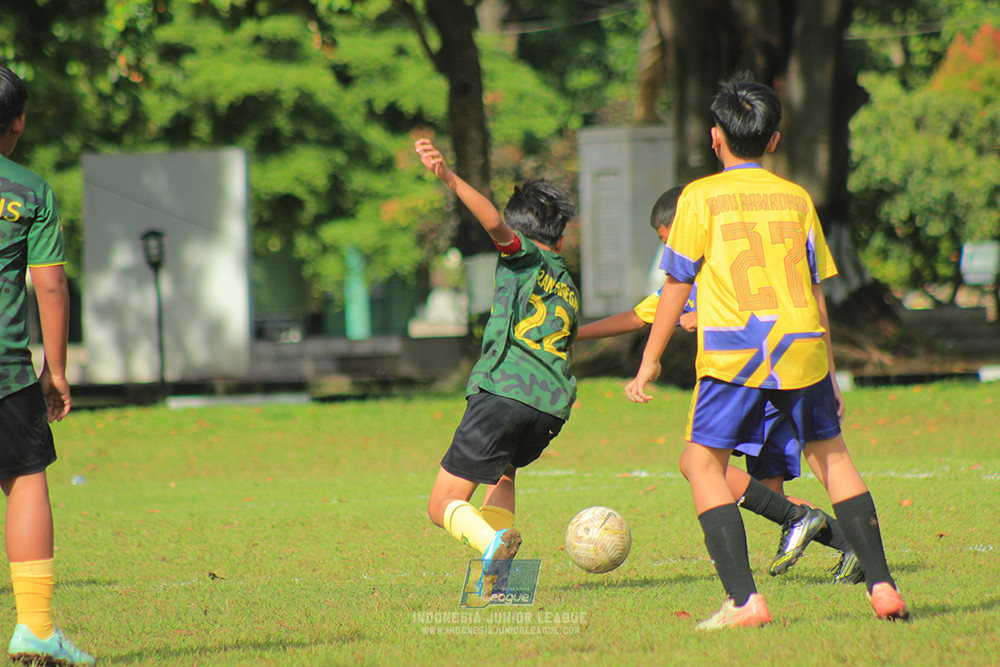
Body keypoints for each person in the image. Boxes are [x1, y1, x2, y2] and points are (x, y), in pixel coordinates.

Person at [624, 74, 908, 629]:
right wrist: (828, 370)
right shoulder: (796, 197)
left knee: (702, 465)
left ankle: (744, 602)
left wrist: (650, 360)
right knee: (835, 460)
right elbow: (814, 291)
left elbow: (678, 285)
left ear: (715, 137)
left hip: (736, 351)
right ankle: (882, 586)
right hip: (802, 346)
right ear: (773, 140)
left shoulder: (700, 198)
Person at [578, 187, 863, 584]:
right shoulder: (690, 276)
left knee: (698, 465)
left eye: (667, 240)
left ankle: (782, 547)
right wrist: (576, 334)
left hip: (754, 385)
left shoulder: (717, 264)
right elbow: (643, 314)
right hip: (770, 382)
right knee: (770, 493)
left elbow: (760, 307)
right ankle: (853, 547)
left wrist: (705, 320)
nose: (669, 251)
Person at [415, 138, 579, 598]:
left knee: (442, 504)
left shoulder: (522, 255)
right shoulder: (565, 282)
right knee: (504, 472)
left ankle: (491, 549)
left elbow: (491, 221)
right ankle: (500, 584)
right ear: (562, 239)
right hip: (550, 408)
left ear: (520, 232)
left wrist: (448, 176)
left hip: (505, 392)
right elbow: (574, 335)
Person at [0, 65, 95, 665]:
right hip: (6, 372)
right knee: (26, 480)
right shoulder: (30, 190)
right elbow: (51, 287)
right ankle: (34, 626)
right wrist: (54, 371)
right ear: (19, 122)